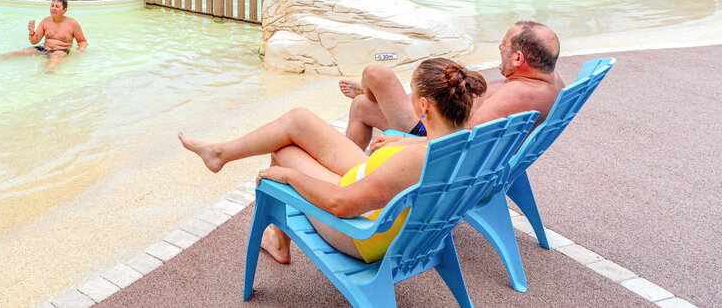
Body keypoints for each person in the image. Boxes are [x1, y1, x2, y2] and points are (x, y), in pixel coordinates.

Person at [180, 58, 487, 264]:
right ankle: (221, 153)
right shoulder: (466, 140)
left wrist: (289, 176)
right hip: (379, 184)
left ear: (423, 105)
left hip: (363, 232)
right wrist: (406, 139)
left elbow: (343, 205)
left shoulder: (416, 160)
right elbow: (429, 147)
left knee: (283, 153)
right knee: (299, 120)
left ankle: (278, 242)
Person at [338, 20, 562, 150]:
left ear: (518, 59)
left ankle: (369, 95)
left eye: (504, 46)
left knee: (377, 74)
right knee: (362, 105)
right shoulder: (550, 81)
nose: (499, 48)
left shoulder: (517, 94)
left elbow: (459, 142)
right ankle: (370, 97)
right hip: (445, 122)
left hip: (431, 135)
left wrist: (401, 141)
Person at [0, 0, 88, 73]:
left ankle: (47, 73)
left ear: (64, 10)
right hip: (44, 48)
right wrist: (31, 32)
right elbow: (34, 40)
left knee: (55, 56)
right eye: (52, 6)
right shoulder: (46, 21)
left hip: (61, 50)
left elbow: (82, 41)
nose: (53, 8)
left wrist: (82, 48)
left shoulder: (72, 23)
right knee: (21, 52)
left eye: (57, 6)